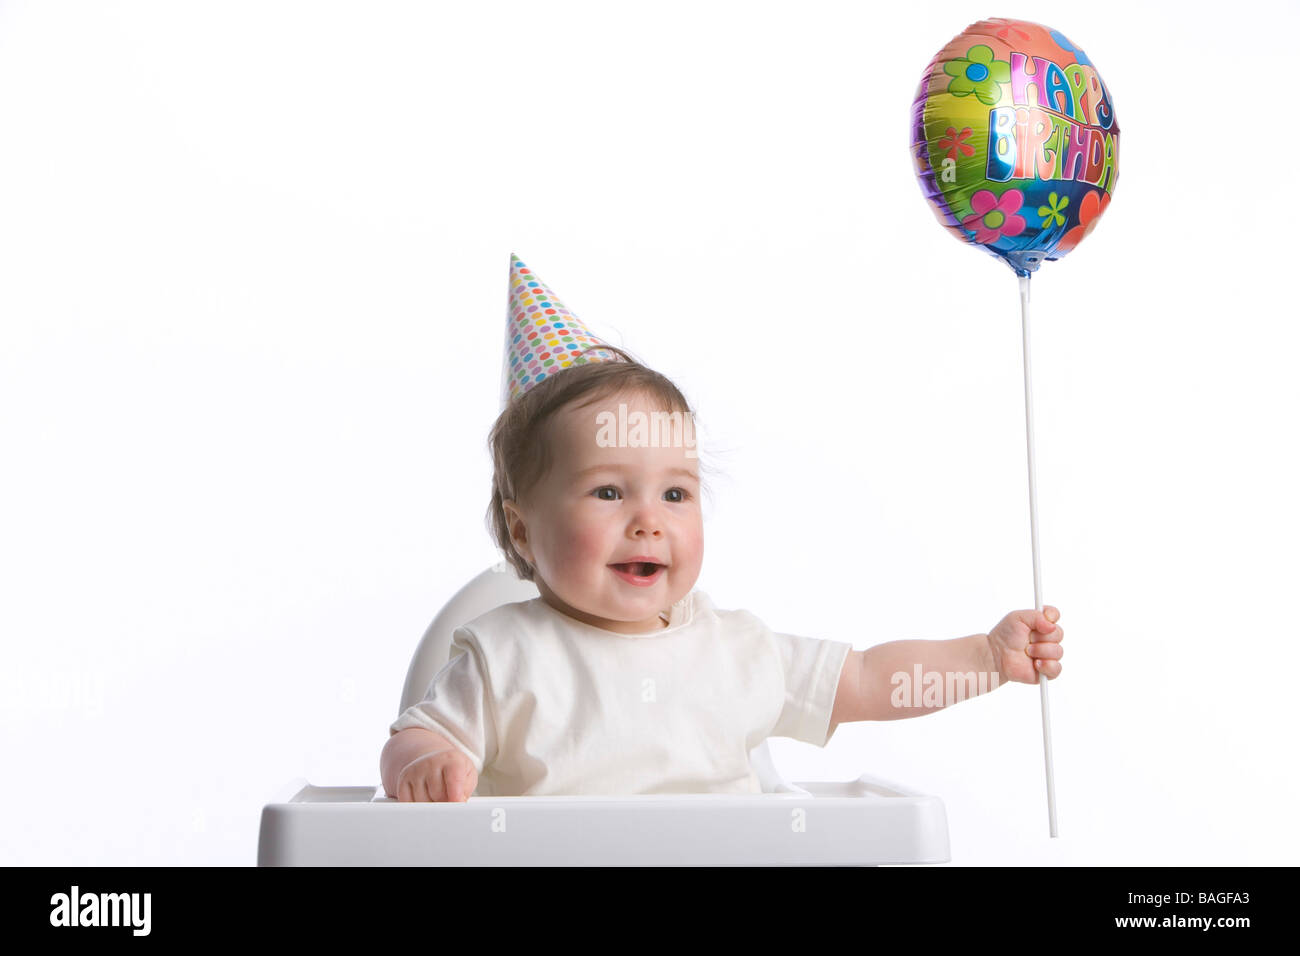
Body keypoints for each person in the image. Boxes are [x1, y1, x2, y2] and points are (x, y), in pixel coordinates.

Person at [379, 256, 1063, 801]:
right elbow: (416, 736)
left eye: (675, 493)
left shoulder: (735, 651)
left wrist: (983, 658)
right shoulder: (502, 657)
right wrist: (428, 762)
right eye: (609, 491)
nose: (649, 520)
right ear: (523, 534)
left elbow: (864, 678)